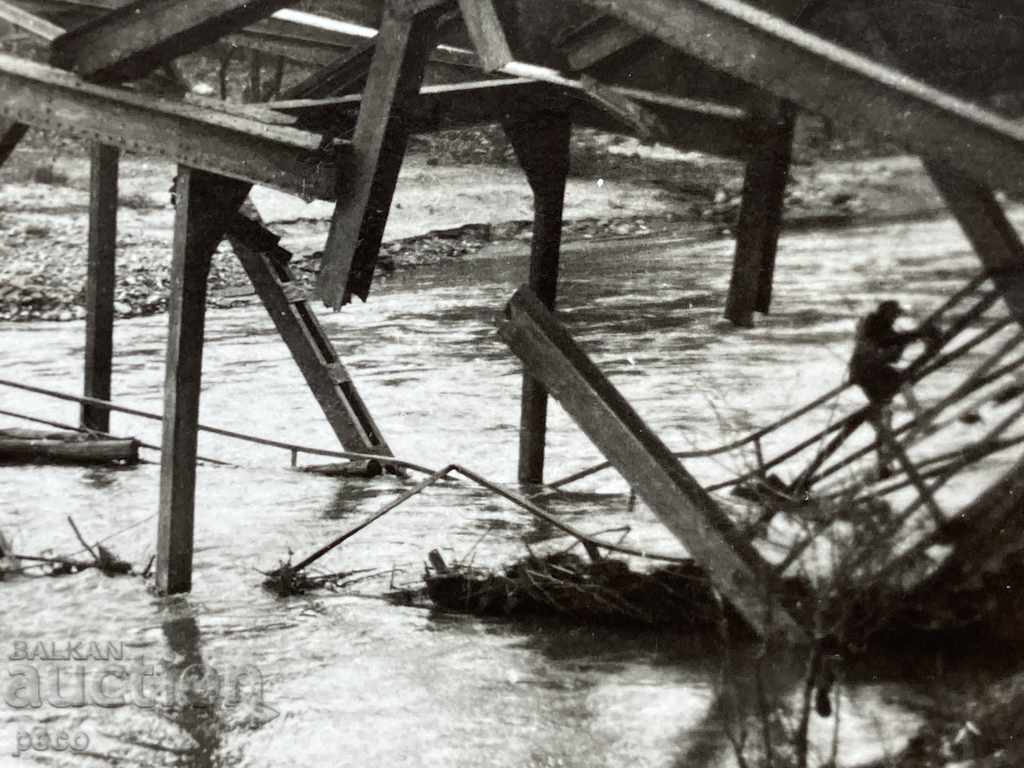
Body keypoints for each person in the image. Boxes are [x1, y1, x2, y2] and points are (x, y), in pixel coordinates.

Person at [849, 300, 941, 477]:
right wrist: (916, 335)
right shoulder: (872, 323)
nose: (895, 318)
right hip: (867, 371)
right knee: (901, 386)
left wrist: (907, 341)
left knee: (886, 413)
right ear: (885, 313)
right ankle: (921, 420)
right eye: (893, 314)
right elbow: (885, 341)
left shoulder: (881, 326)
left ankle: (883, 464)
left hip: (869, 371)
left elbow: (893, 355)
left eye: (896, 315)